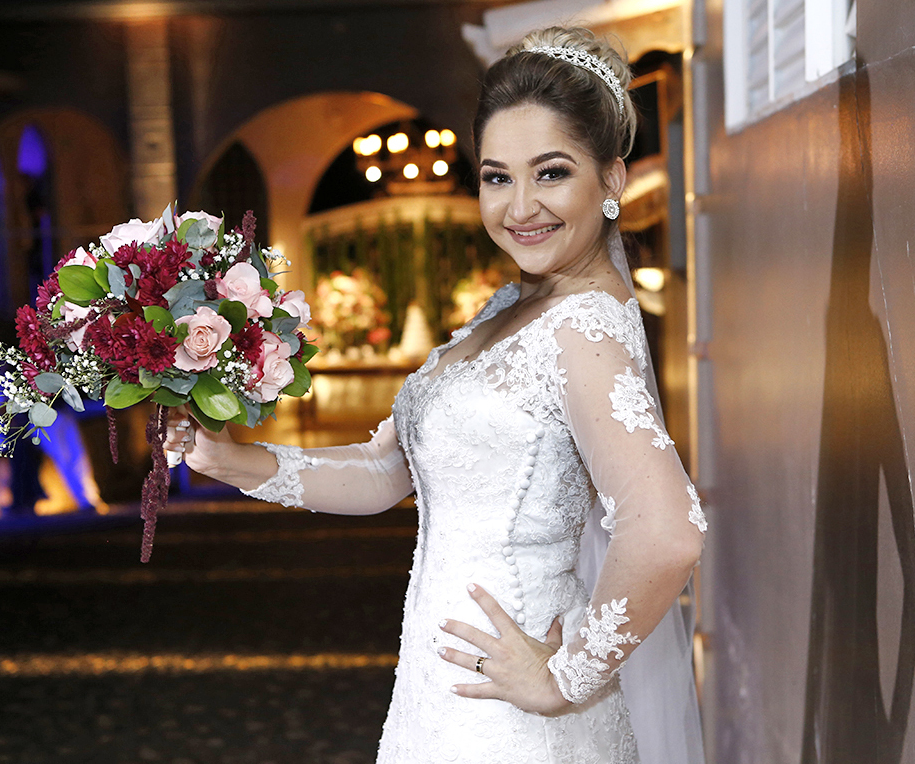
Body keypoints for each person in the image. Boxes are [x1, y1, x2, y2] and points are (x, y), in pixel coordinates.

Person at [165, 26, 707, 764]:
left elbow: (668, 530)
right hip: (442, 689)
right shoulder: (512, 308)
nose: (520, 207)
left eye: (551, 173)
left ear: (611, 181)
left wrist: (564, 678)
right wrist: (232, 461)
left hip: (512, 713)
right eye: (496, 177)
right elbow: (389, 473)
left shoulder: (583, 329)